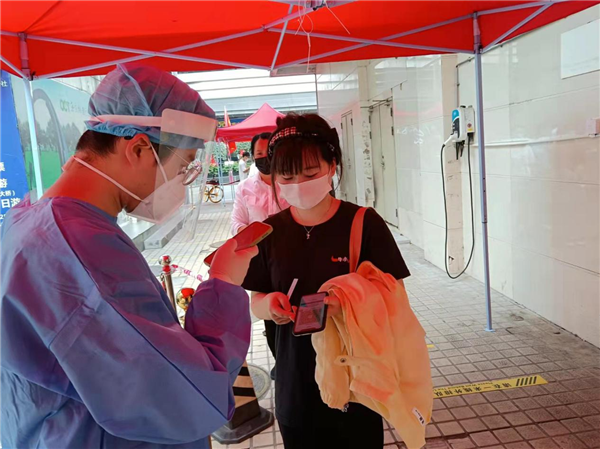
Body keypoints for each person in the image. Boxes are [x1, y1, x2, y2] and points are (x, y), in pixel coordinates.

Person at [0, 64, 257, 449]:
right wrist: (222, 284)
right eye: (182, 166)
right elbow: (184, 395)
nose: (181, 181)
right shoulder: (80, 248)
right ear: (138, 149)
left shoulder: (31, 221)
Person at [243, 113, 410, 449]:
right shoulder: (269, 231)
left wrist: (346, 303)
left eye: (310, 173)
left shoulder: (364, 223)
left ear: (332, 165)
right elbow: (255, 300)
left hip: (356, 382)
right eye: (287, 176)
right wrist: (268, 305)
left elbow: (394, 296)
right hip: (295, 384)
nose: (299, 184)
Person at [231, 132, 289, 379]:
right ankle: (279, 360)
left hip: (291, 255)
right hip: (261, 260)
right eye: (259, 154)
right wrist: (252, 232)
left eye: (269, 153)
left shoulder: (290, 183)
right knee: (269, 312)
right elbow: (236, 222)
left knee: (294, 305)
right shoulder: (244, 188)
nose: (264, 158)